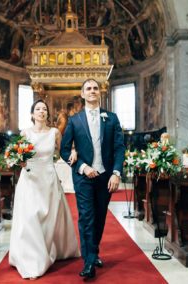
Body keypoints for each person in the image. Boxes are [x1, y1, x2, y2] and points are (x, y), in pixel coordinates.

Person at [60, 78, 125, 279]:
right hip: (84, 177)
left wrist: (116, 173)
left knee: (100, 217)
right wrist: (82, 166)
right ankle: (89, 263)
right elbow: (64, 150)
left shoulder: (111, 118)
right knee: (87, 217)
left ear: (100, 92)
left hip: (105, 177)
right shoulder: (74, 120)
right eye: (88, 88)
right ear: (82, 94)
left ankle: (92, 251)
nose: (92, 91)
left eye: (95, 88)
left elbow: (119, 148)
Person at [9, 100, 80, 280]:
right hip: (30, 179)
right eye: (38, 109)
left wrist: (73, 151)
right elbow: (17, 155)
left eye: (45, 109)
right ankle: (33, 260)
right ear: (32, 114)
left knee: (48, 219)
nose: (42, 112)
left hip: (48, 179)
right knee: (31, 218)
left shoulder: (54, 132)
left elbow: (63, 151)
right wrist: (19, 161)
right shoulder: (25, 133)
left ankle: (52, 248)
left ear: (48, 114)